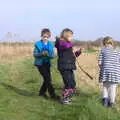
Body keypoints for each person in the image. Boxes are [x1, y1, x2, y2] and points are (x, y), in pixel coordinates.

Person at [55, 28, 81, 104]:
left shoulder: (68, 44)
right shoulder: (61, 43)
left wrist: (78, 52)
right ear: (66, 35)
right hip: (64, 66)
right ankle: (65, 99)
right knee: (68, 83)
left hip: (69, 66)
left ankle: (68, 97)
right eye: (71, 36)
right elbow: (64, 46)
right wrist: (71, 45)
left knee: (72, 83)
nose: (72, 38)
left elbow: (73, 56)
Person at [33, 28, 59, 100]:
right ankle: (52, 95)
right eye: (44, 36)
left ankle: (41, 92)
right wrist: (41, 53)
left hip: (47, 64)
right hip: (40, 64)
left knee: (47, 79)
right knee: (47, 78)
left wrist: (48, 55)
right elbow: (35, 54)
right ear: (41, 36)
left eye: (47, 37)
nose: (45, 38)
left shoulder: (50, 44)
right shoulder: (37, 44)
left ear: (49, 37)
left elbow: (52, 55)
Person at [98, 36, 120, 107]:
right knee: (113, 87)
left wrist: (102, 68)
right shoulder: (117, 50)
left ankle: (105, 103)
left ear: (104, 43)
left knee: (105, 87)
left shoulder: (103, 50)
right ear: (112, 42)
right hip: (115, 72)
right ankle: (112, 103)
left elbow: (100, 62)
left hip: (105, 71)